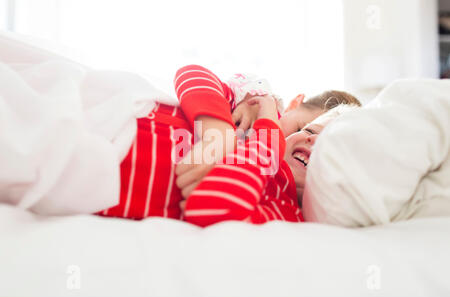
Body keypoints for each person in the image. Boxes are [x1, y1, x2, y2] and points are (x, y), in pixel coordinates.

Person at [96, 64, 360, 225]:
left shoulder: (285, 208)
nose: (312, 139)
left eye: (327, 147)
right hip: (113, 111)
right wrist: (218, 131)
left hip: (98, 168)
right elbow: (192, 73)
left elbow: (211, 207)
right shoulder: (254, 105)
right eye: (307, 129)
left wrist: (268, 134)